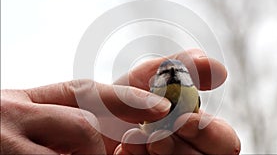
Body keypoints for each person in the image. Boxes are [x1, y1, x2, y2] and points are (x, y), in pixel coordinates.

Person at [1, 49, 241, 154]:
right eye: (164, 76)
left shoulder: (191, 96)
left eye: (176, 75)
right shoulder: (154, 94)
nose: (170, 79)